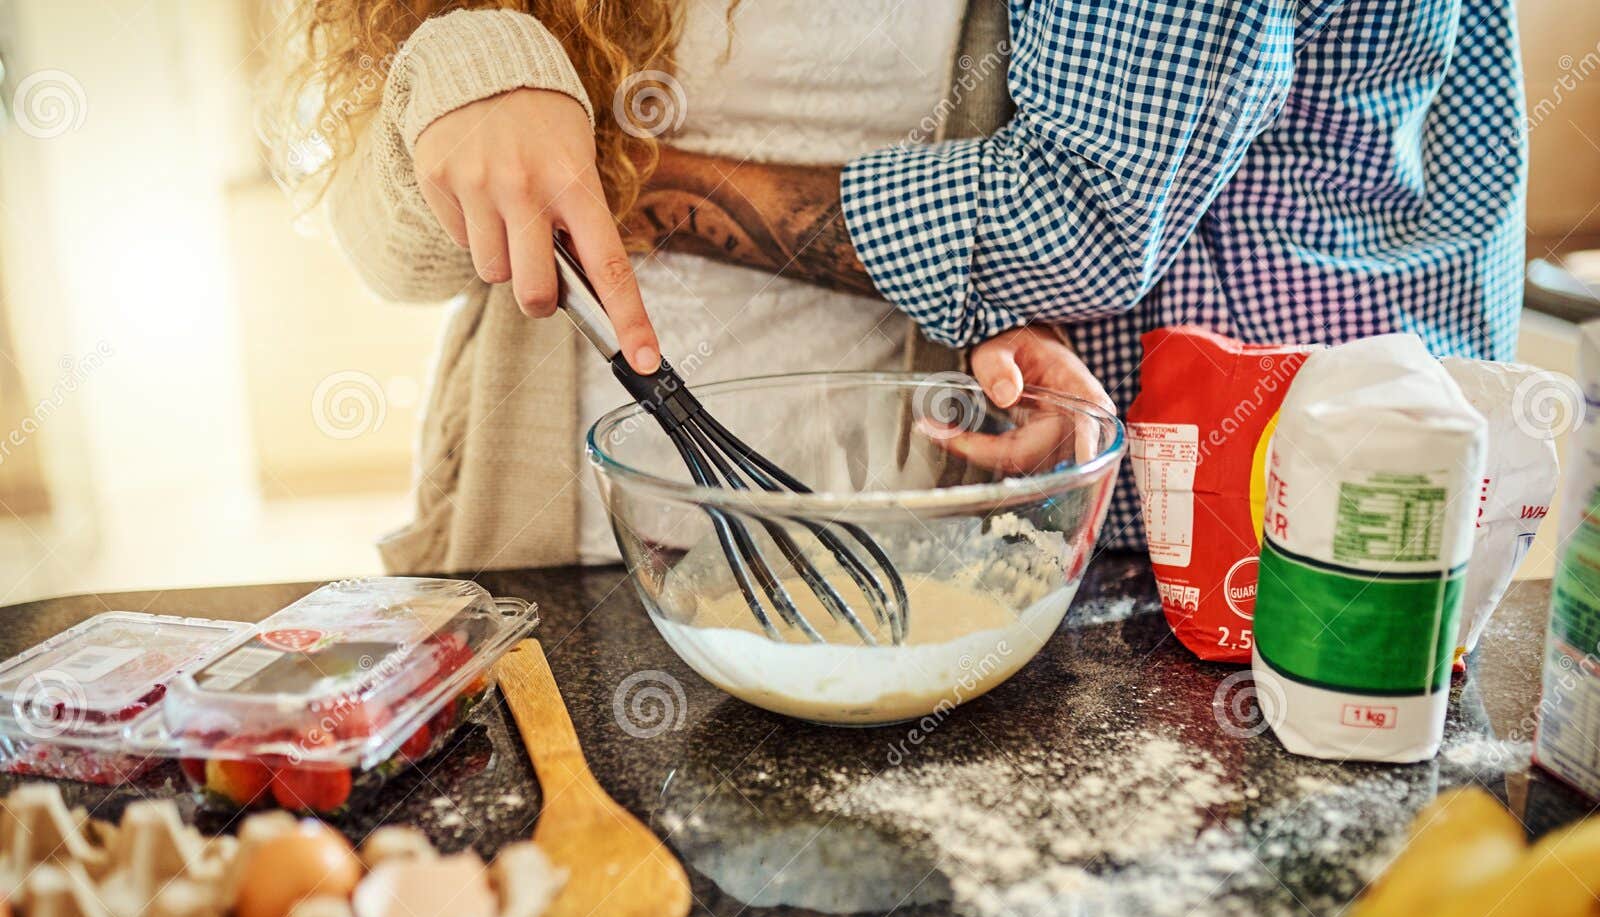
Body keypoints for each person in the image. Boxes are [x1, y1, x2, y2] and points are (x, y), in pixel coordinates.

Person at [282, 0, 1523, 570]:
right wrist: (460, 73)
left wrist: (614, 176)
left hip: (905, 539)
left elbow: (1055, 208)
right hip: (567, 543)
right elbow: (398, 252)